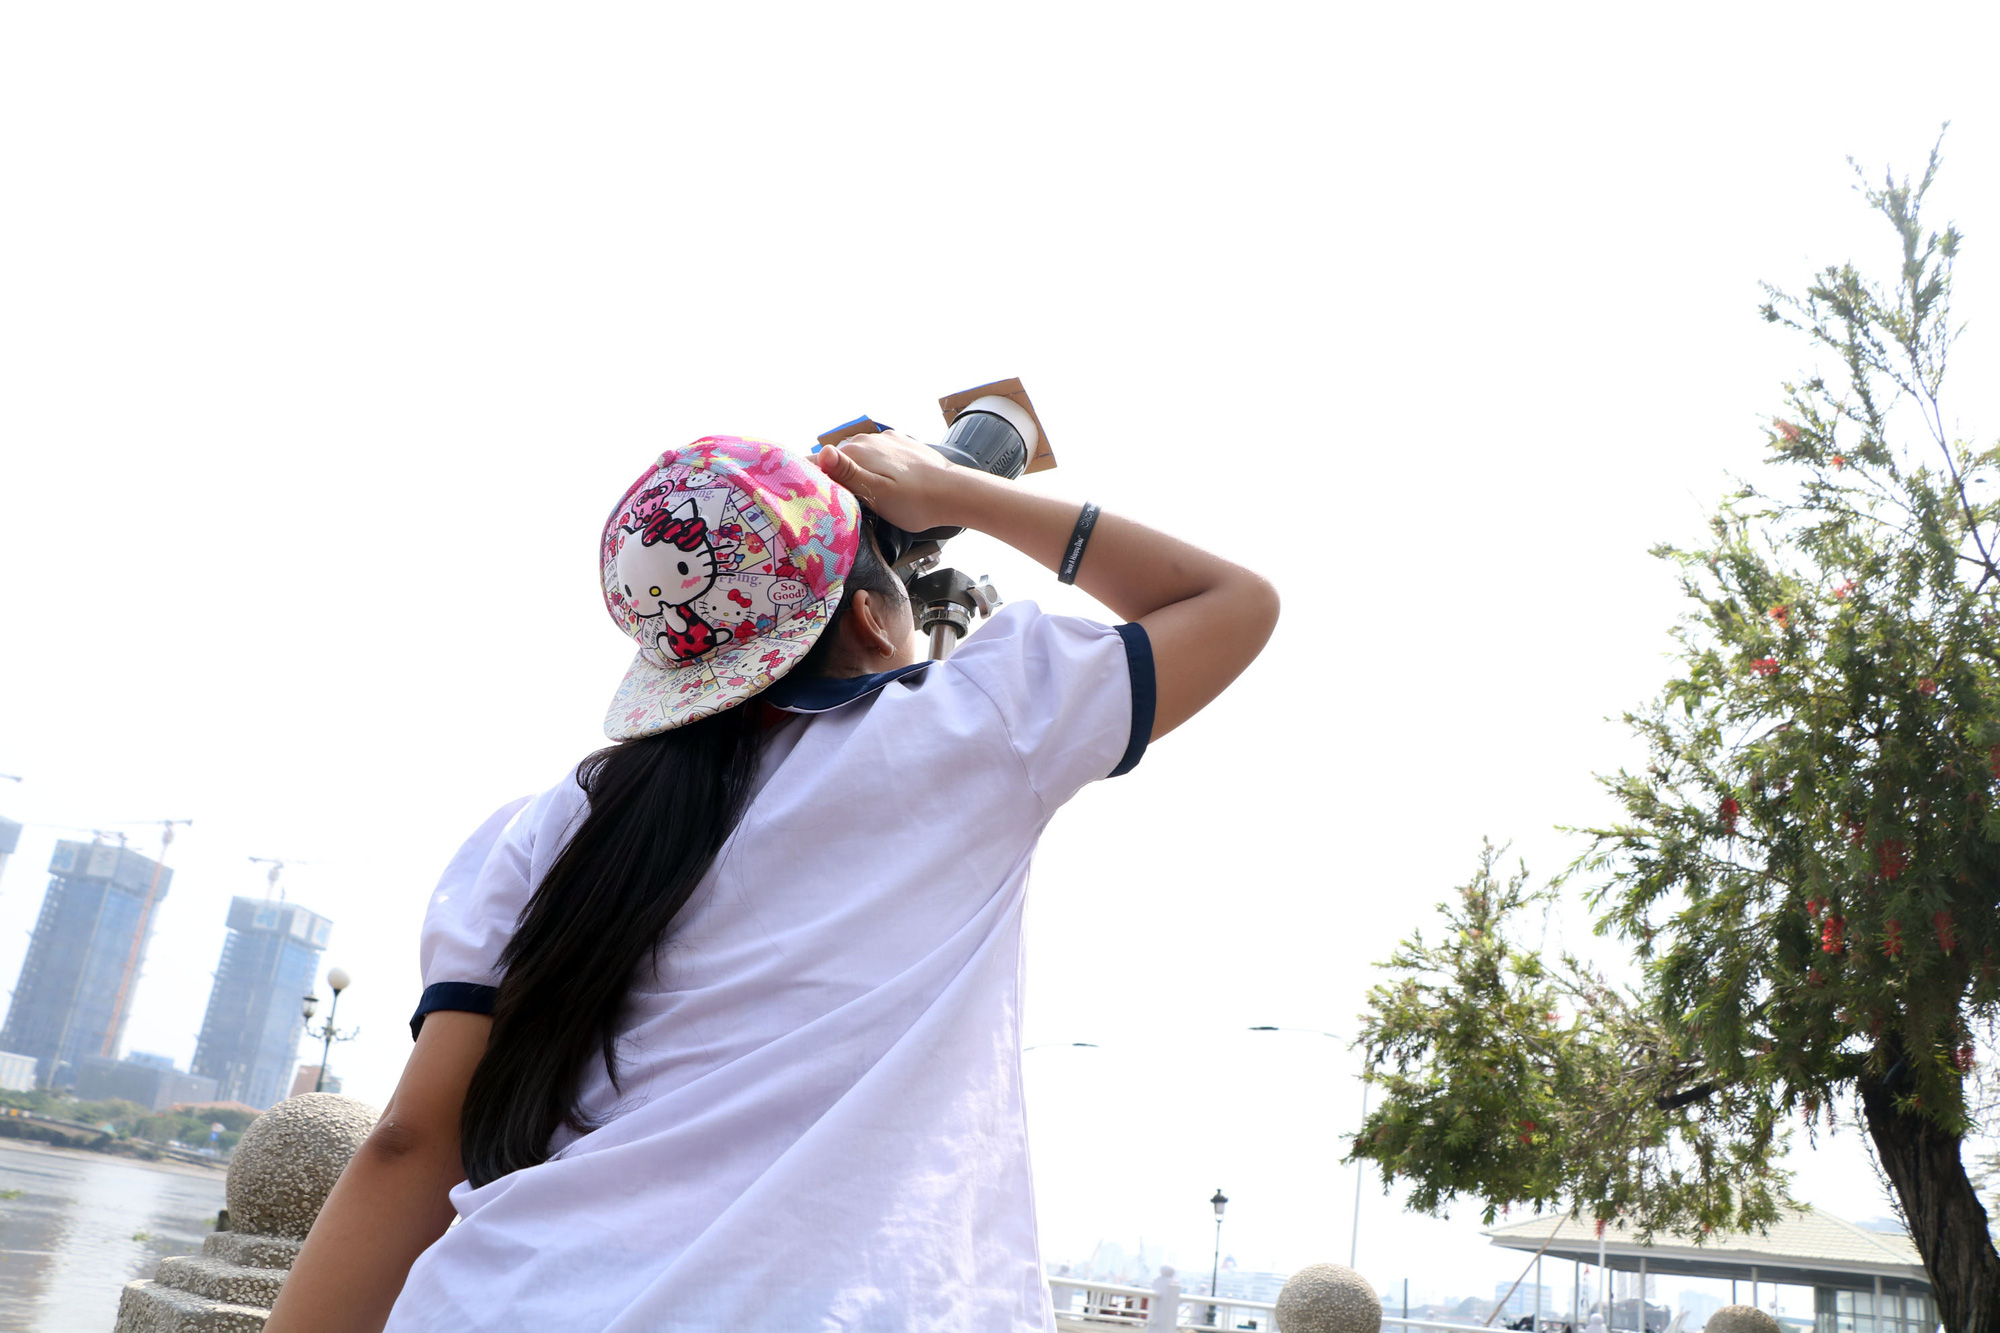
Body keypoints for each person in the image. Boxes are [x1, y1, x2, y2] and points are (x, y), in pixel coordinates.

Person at [266, 429, 1278, 1332]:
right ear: (879, 626)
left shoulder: (547, 826)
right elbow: (1229, 602)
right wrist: (956, 491)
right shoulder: (969, 733)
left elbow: (407, 1141)